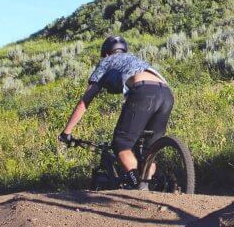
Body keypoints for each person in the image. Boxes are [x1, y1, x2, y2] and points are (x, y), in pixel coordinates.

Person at [58, 36, 174, 189]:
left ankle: (138, 187)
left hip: (144, 92)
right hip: (167, 93)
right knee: (148, 151)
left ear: (106, 53)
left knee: (121, 144)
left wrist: (67, 132)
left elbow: (85, 101)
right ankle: (149, 186)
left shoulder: (106, 61)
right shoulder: (134, 59)